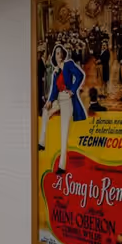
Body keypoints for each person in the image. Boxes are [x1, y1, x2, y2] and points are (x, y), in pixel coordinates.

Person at [38, 44, 87, 174]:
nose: (58, 55)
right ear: (54, 56)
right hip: (58, 99)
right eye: (56, 53)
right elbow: (54, 89)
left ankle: (62, 166)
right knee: (45, 111)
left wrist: (73, 90)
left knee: (64, 132)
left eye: (60, 52)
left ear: (63, 54)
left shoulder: (69, 64)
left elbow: (80, 75)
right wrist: (49, 101)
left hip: (67, 99)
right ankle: (42, 142)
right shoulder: (56, 71)